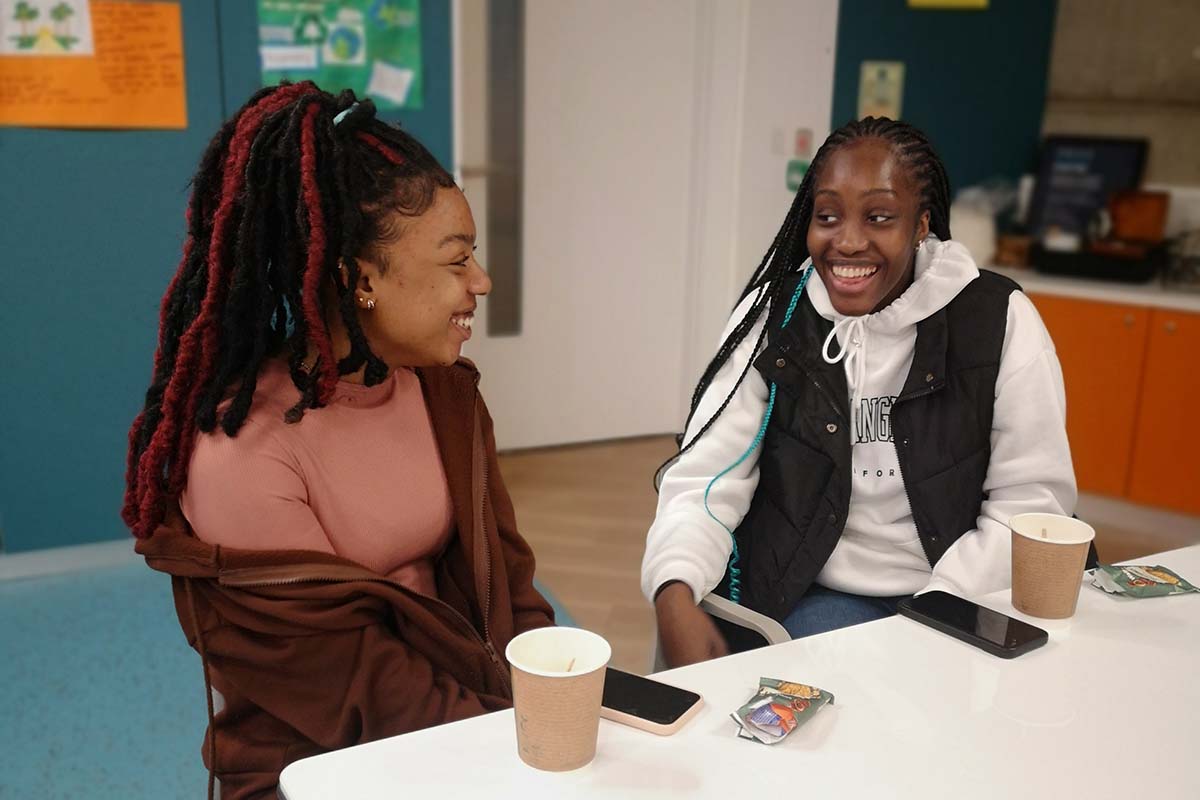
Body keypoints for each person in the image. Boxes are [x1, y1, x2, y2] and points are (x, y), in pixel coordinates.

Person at [122, 82, 554, 799]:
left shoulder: (444, 393)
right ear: (359, 280)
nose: (481, 280)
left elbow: (507, 581)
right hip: (317, 761)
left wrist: (552, 685)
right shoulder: (243, 451)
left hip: (467, 718)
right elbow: (354, 683)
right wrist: (505, 743)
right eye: (455, 260)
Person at [643, 117, 1077, 668]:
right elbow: (707, 479)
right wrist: (674, 586)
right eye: (827, 216)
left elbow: (1031, 503)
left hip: (963, 596)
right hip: (817, 597)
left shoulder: (997, 320)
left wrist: (937, 613)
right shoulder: (773, 318)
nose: (847, 240)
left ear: (921, 225)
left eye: (879, 217)